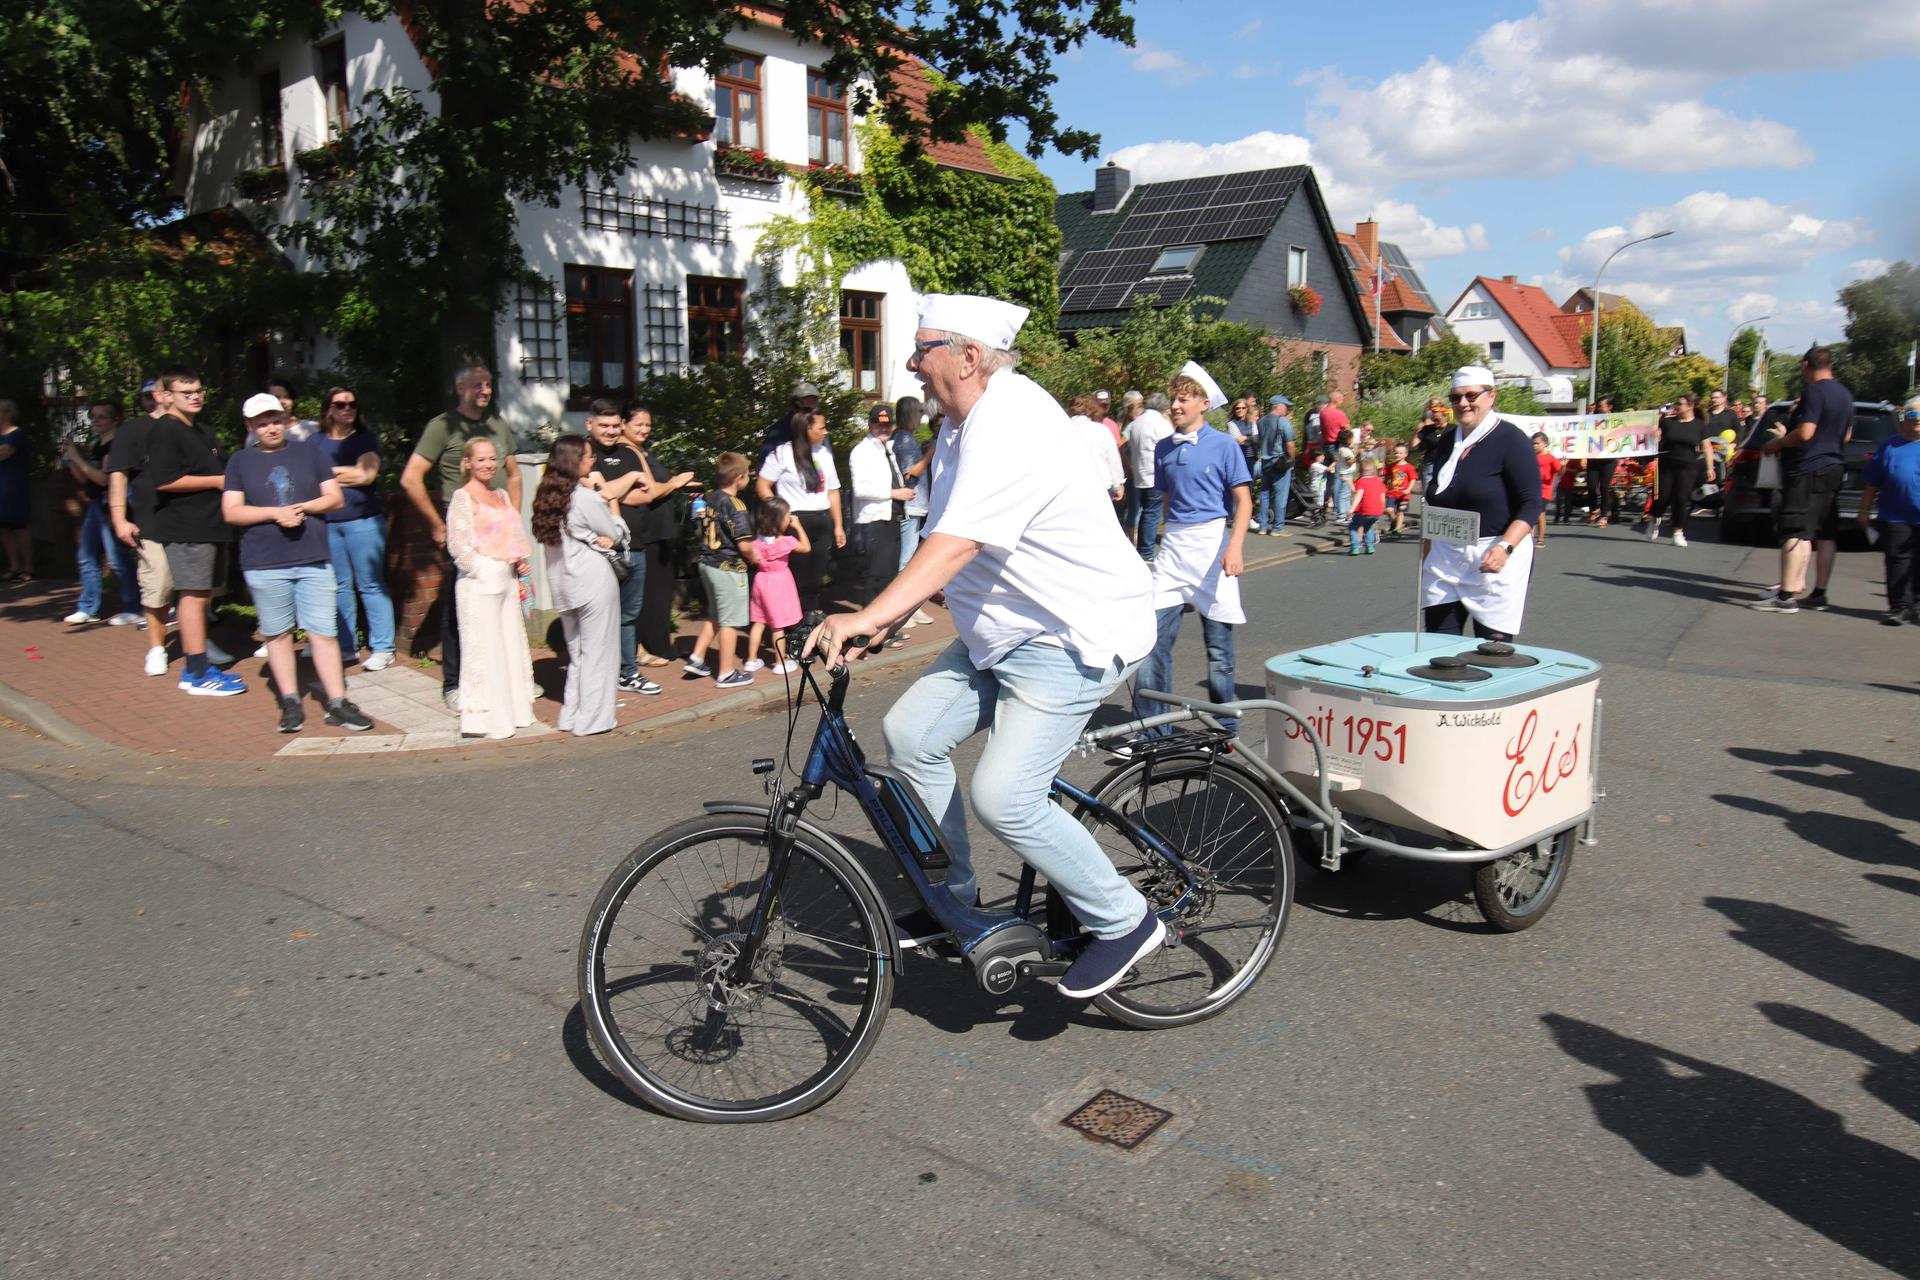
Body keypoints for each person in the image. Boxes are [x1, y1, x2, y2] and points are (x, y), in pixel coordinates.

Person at [810, 293, 1160, 1001]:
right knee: (909, 735)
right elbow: (960, 554)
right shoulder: (962, 426)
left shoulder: (1011, 423)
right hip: (1002, 638)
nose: (910, 364)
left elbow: (957, 543)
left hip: (1070, 636)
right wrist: (883, 621)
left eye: (923, 349)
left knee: (1006, 796)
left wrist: (871, 613)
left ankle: (1123, 920)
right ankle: (955, 896)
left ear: (969, 357)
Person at [221, 394, 373, 732]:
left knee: (323, 633)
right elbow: (231, 511)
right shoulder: (240, 462)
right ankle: (290, 701)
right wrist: (276, 513)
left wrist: (301, 509)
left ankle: (337, 702)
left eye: (275, 420)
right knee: (277, 634)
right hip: (264, 561)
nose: (271, 427)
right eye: (262, 423)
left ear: (285, 420)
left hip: (312, 557)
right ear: (250, 426)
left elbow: (334, 497)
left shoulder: (309, 453)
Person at [1134, 361, 1252, 737]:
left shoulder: (1224, 445)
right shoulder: (1164, 448)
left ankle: (1224, 727)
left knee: (1218, 648)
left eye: (1184, 399)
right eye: (1173, 399)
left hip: (1212, 547)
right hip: (1174, 549)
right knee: (1150, 640)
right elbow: (1167, 499)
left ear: (1204, 404)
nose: (1176, 405)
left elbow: (1244, 501)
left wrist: (1235, 547)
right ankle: (1155, 729)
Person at [400, 365, 521, 711]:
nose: (485, 390)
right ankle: (454, 684)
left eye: (488, 384)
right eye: (477, 385)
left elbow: (513, 475)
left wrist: (512, 519)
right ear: (459, 388)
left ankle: (505, 677)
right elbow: (411, 478)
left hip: (496, 523)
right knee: (461, 604)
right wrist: (437, 525)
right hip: (465, 523)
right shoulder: (442, 426)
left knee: (502, 600)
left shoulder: (497, 424)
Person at [1419, 366, 1543, 640]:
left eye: (1471, 395)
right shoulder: (1450, 439)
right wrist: (1427, 553)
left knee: (1491, 652)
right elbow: (1434, 500)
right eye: (1456, 397)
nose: (1463, 403)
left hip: (1494, 555)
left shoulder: (1511, 439)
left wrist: (1505, 547)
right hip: (1446, 556)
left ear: (1491, 396)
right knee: (1438, 646)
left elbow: (1532, 503)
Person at [143, 369, 244, 696]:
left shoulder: (201, 431)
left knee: (202, 597)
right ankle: (197, 673)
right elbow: (164, 480)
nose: (196, 396)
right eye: (186, 392)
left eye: (199, 390)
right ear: (166, 396)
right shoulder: (165, 431)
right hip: (187, 526)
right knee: (192, 594)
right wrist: (217, 482)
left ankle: (199, 668)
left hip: (211, 525)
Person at [446, 438, 537, 738]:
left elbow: (512, 535)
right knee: (485, 650)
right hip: (479, 585)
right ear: (468, 463)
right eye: (481, 459)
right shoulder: (462, 497)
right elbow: (458, 547)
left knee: (510, 645)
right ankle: (488, 719)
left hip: (506, 583)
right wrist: (486, 570)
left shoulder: (501, 495)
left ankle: (516, 711)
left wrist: (518, 563)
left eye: (491, 459)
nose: (487, 464)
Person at [532, 435, 622, 736]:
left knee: (579, 655)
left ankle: (570, 715)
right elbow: (614, 530)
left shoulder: (546, 498)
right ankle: (594, 720)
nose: (593, 459)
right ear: (575, 461)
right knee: (600, 653)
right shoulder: (583, 497)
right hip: (593, 581)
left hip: (563, 585)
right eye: (588, 455)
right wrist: (609, 500)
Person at [1754, 349, 1853, 614]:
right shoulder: (1844, 394)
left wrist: (1777, 443)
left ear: (1806, 365)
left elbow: (1806, 432)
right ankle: (1819, 594)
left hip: (1808, 468)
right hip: (1834, 465)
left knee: (1796, 529)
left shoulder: (1814, 392)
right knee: (1826, 532)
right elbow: (1847, 436)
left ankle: (1785, 597)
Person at [107, 378, 186, 675]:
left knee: (197, 587)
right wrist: (119, 519)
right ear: (160, 395)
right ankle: (156, 648)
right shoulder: (133, 430)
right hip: (151, 520)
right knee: (160, 584)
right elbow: (118, 475)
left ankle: (199, 643)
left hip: (191, 519)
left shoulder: (190, 428)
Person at [583, 401, 661, 694]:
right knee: (598, 614)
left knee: (629, 613)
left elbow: (649, 493)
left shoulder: (629, 452)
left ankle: (627, 672)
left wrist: (610, 490)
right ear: (589, 425)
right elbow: (592, 495)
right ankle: (598, 675)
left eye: (616, 426)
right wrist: (627, 483)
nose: (611, 431)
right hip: (599, 548)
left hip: (634, 546)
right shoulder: (583, 454)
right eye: (604, 425)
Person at [315, 385, 395, 671]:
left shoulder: (365, 439)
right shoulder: (315, 442)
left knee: (371, 584)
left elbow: (366, 475)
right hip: (328, 523)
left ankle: (384, 647)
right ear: (328, 409)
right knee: (339, 587)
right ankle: (346, 648)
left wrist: (326, 475)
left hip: (363, 521)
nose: (347, 409)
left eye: (352, 404)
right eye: (340, 405)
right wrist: (345, 473)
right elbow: (308, 479)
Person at [619, 403, 698, 667]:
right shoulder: (626, 452)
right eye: (638, 424)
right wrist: (674, 483)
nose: (644, 429)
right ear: (624, 424)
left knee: (660, 592)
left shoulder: (641, 451)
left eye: (647, 424)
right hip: (646, 532)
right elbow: (649, 490)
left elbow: (659, 483)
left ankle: (659, 644)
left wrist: (680, 484)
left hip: (660, 532)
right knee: (651, 595)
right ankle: (652, 647)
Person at [61, 400, 141, 624]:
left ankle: (134, 607)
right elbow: (86, 479)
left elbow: (104, 479)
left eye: (101, 417)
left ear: (115, 420)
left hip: (112, 505)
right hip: (97, 504)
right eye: (93, 416)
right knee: (86, 556)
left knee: (117, 558)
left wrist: (77, 458)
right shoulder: (98, 443)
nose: (95, 421)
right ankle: (88, 607)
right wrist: (71, 458)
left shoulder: (117, 445)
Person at [756, 409, 843, 613]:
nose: (825, 432)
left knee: (816, 576)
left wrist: (838, 525)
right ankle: (790, 624)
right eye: (821, 428)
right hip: (795, 521)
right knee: (796, 576)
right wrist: (780, 513)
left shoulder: (824, 453)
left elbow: (833, 491)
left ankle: (809, 622)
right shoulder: (782, 453)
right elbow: (762, 485)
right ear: (806, 429)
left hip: (821, 519)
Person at [683, 451, 757, 685]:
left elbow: (698, 521)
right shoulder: (736, 504)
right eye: (747, 474)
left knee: (715, 614)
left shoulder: (711, 498)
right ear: (739, 477)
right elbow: (744, 544)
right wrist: (756, 558)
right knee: (731, 621)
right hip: (729, 568)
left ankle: (697, 657)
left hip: (707, 564)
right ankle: (726, 672)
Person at [1857, 394, 1920, 625]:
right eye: (1913, 414)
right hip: (1895, 515)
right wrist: (1863, 511)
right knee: (1896, 560)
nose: (1918, 419)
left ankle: (1917, 604)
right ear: (1905, 417)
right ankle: (1899, 607)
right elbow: (1873, 481)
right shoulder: (1891, 445)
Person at [849, 403, 913, 611]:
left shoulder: (887, 449)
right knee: (875, 578)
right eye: (878, 425)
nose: (883, 429)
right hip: (874, 521)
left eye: (887, 425)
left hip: (891, 519)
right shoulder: (862, 451)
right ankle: (870, 629)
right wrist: (894, 493)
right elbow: (861, 490)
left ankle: (883, 628)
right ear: (870, 423)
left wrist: (902, 491)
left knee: (889, 576)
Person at [745, 495, 807, 674]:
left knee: (759, 621)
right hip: (779, 583)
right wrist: (798, 526)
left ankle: (751, 660)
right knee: (777, 625)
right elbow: (806, 547)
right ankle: (780, 663)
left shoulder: (755, 543)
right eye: (787, 515)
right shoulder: (786, 541)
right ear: (778, 519)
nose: (789, 518)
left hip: (761, 580)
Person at [1647, 393, 1713, 547]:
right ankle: (1654, 518)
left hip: (1688, 467)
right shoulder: (1668, 422)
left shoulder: (1699, 425)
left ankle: (1678, 532)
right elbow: (1656, 439)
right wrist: (1655, 433)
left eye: (1680, 404)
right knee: (1662, 497)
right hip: (1667, 465)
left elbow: (1707, 447)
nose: (1677, 406)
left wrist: (1710, 467)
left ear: (1690, 406)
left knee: (1681, 499)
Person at [1123, 391, 1173, 559]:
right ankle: (1146, 552)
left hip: (1139, 474)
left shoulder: (1137, 423)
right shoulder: (1160, 424)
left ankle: (1142, 549)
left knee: (1145, 512)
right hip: (1155, 475)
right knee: (1152, 514)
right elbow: (1172, 447)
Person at [1067, 393, 1126, 510]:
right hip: (1100, 485)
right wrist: (1118, 485)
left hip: (1071, 488)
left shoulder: (1062, 430)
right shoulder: (1101, 430)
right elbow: (1112, 459)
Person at [1253, 394, 1295, 535]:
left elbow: (1258, 441)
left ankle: (1263, 526)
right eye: (1286, 406)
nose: (1287, 409)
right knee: (1280, 495)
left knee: (1265, 494)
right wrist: (1292, 459)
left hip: (1265, 461)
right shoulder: (1283, 422)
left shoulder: (1261, 421)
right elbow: (1290, 444)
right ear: (1279, 406)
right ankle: (1278, 527)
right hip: (1280, 462)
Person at [0, 400, 32, 581]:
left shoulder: (17, 435)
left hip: (14, 485)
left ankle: (28, 567)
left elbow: (4, 453)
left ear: (7, 414)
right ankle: (14, 566)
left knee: (19, 526)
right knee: (3, 527)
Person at [758, 380, 821, 465]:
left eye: (814, 401)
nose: (812, 405)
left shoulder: (819, 428)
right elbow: (764, 463)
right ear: (796, 403)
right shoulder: (780, 429)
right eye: (808, 401)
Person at [1585, 398, 1622, 528]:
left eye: (1601, 406)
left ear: (1609, 407)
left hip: (1609, 459)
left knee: (1604, 487)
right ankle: (1594, 509)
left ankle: (1604, 516)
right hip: (1594, 458)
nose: (1599, 409)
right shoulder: (1592, 420)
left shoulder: (1618, 420)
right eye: (1598, 406)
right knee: (1590, 486)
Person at [1349, 456, 1386, 555]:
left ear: (1360, 471)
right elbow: (1382, 496)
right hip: (1376, 511)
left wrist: (1352, 509)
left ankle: (1355, 546)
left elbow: (1358, 495)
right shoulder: (1378, 481)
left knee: (1353, 526)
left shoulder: (1361, 481)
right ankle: (1370, 546)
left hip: (1364, 511)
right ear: (1374, 470)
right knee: (1369, 526)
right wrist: (1382, 508)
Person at [1533, 432, 1563, 547]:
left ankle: (1540, 539)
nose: (1534, 446)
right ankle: (1530, 537)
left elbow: (1560, 472)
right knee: (1529, 513)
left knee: (1540, 514)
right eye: (1533, 443)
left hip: (1544, 490)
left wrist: (1564, 466)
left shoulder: (1550, 458)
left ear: (1545, 444)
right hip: (1532, 489)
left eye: (1537, 443)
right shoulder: (1531, 456)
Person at [1383, 442, 1417, 539]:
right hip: (1392, 493)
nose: (1397, 455)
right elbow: (1387, 476)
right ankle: (1394, 521)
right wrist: (1385, 486)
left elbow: (1413, 479)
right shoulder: (1391, 466)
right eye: (1396, 453)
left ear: (1405, 454)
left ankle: (1397, 529)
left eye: (1400, 453)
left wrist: (1409, 489)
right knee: (1389, 510)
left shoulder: (1409, 467)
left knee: (1400, 512)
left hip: (1403, 494)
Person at [1330, 428, 1358, 522]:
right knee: (1344, 495)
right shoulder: (1344, 450)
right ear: (1348, 439)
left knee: (1346, 494)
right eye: (1352, 438)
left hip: (1345, 473)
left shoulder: (1342, 449)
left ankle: (1347, 514)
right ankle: (1343, 514)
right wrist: (1357, 455)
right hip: (1346, 474)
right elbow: (1349, 462)